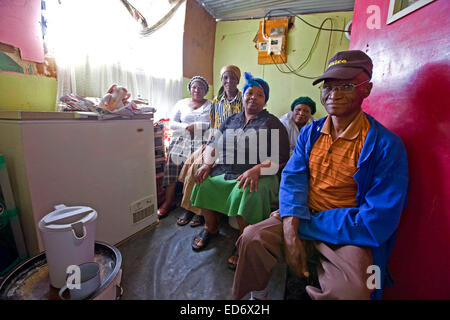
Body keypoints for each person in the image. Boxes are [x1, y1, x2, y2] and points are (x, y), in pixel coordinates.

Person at [232, 50, 409, 300]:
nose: (334, 95)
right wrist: (291, 218)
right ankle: (258, 297)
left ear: (366, 89)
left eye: (346, 86)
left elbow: (378, 220)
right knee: (251, 237)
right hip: (303, 215)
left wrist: (296, 223)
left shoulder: (385, 145)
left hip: (348, 232)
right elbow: (293, 177)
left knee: (355, 289)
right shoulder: (311, 133)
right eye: (328, 86)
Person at [190, 72, 290, 270]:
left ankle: (245, 240)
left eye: (259, 94)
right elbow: (214, 144)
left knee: (247, 191)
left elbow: (281, 160)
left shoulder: (272, 123)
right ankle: (211, 227)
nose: (253, 97)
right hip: (225, 169)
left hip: (261, 173)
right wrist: (207, 164)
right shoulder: (231, 120)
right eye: (249, 93)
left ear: (265, 100)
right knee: (204, 182)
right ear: (243, 97)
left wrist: (257, 170)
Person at [176, 65, 243, 227]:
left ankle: (199, 212)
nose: (229, 81)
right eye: (225, 77)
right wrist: (209, 143)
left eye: (233, 77)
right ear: (221, 80)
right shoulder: (216, 102)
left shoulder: (243, 100)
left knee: (198, 167)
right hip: (215, 141)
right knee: (190, 162)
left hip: (231, 146)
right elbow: (214, 125)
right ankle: (190, 207)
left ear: (238, 80)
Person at [157, 76, 212, 218]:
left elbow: (213, 124)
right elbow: (172, 123)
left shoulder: (211, 104)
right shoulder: (181, 103)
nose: (197, 90)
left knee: (197, 163)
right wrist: (187, 127)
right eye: (194, 87)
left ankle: (194, 206)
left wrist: (198, 126)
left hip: (202, 139)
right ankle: (168, 202)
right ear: (190, 89)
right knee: (172, 160)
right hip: (183, 137)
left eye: (201, 88)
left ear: (205, 91)